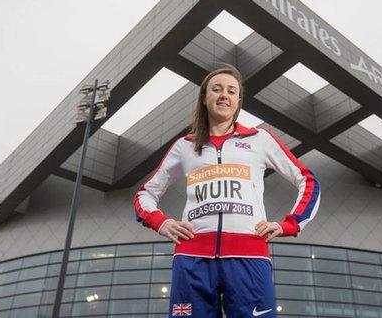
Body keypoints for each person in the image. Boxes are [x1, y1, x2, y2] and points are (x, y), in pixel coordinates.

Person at [133, 64, 320, 317]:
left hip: (249, 256)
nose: (224, 95)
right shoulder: (184, 146)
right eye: (217, 89)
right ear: (204, 97)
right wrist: (161, 222)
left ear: (238, 100)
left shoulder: (259, 139)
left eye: (232, 91)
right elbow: (145, 193)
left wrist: (289, 224)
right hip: (192, 259)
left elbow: (307, 181)